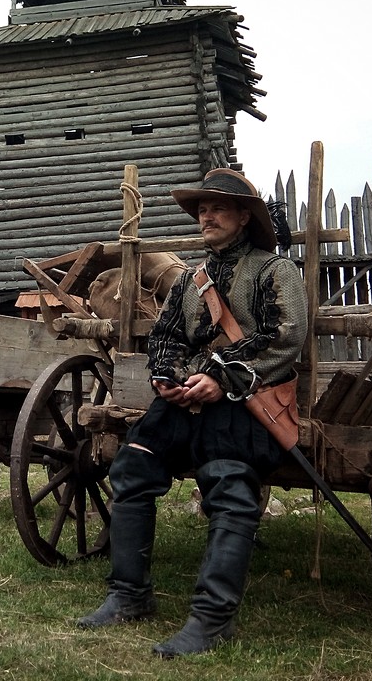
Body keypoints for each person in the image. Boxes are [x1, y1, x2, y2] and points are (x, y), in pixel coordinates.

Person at [76, 168, 308, 659]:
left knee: (228, 482)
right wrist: (166, 376)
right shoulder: (189, 279)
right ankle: (129, 595)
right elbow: (165, 335)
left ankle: (211, 619)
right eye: (202, 209)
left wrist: (220, 378)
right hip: (186, 400)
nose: (207, 216)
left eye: (218, 208)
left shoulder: (275, 272)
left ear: (243, 218)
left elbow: (284, 338)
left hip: (246, 401)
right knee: (132, 466)